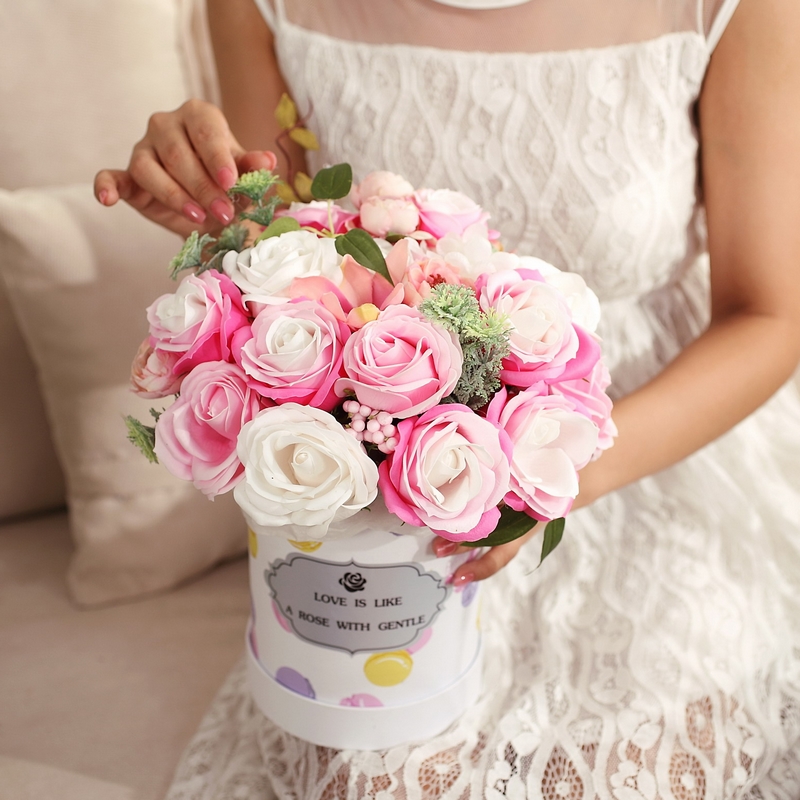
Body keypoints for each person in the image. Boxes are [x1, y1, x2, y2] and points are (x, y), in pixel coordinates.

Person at [96, 0, 800, 796]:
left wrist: (542, 482)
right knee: (388, 769)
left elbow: (768, 317)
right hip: (405, 475)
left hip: (654, 446)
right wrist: (213, 211)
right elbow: (293, 250)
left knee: (647, 753)